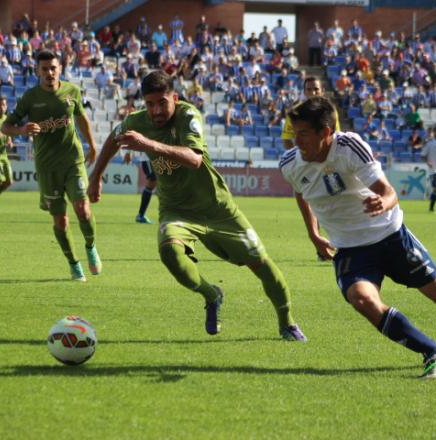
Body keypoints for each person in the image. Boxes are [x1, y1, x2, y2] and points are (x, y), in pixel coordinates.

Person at [280, 97, 436, 379]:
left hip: (390, 236)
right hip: (350, 249)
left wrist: (383, 202)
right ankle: (435, 352)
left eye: (304, 134)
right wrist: (313, 233)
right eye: (295, 133)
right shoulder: (290, 164)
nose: (297, 141)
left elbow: (389, 191)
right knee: (362, 300)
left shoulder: (349, 147)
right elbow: (300, 192)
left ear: (325, 132)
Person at [88, 71, 307, 341]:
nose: (156, 110)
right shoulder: (137, 121)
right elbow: (113, 137)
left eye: (162, 103)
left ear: (175, 98)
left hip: (216, 207)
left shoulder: (188, 115)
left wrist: (147, 144)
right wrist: (96, 176)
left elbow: (193, 159)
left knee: (260, 263)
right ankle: (211, 294)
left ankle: (287, 323)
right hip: (176, 210)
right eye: (150, 104)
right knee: (169, 252)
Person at [1, 50, 102, 282]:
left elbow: (81, 119)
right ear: (37, 71)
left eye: (53, 68)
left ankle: (91, 246)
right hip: (47, 167)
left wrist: (93, 145)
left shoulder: (72, 91)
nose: (49, 73)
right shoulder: (30, 98)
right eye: (44, 69)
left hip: (72, 160)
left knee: (83, 209)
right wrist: (21, 130)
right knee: (61, 220)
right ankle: (74, 264)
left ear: (60, 68)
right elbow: (6, 127)